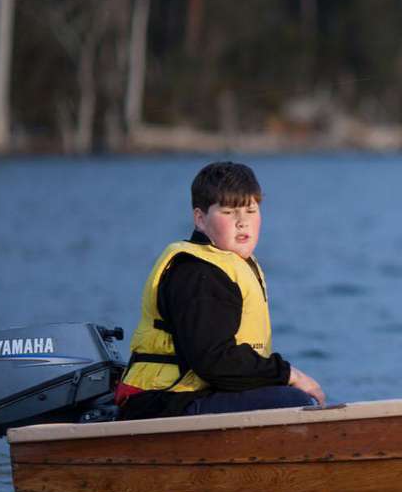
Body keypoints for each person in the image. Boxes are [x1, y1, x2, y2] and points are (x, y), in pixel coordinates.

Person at [115, 161, 326, 419]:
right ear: (200, 219)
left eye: (250, 210)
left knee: (295, 397)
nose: (242, 222)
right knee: (291, 401)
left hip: (193, 395)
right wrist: (288, 374)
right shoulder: (197, 273)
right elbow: (215, 362)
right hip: (161, 401)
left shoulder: (230, 265)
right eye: (228, 212)